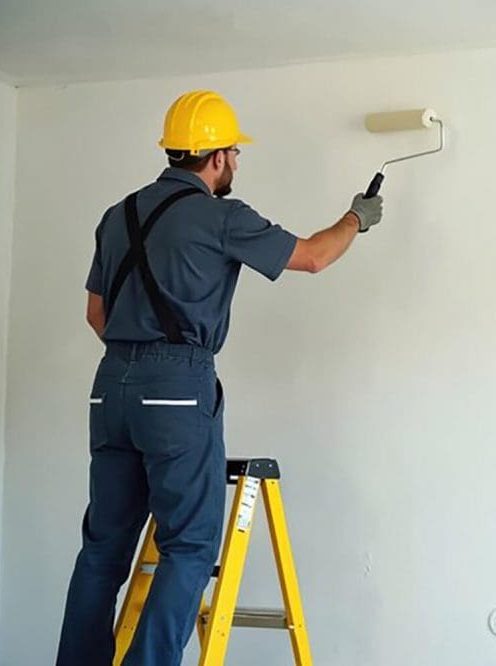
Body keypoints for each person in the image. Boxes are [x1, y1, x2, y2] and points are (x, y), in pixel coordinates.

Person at [55, 89, 383, 666]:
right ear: (218, 157)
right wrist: (357, 217)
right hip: (176, 388)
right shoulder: (221, 215)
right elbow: (313, 256)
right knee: (190, 544)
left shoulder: (118, 214)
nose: (235, 163)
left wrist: (133, 362)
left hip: (109, 386)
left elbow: (95, 313)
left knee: (104, 548)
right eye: (234, 153)